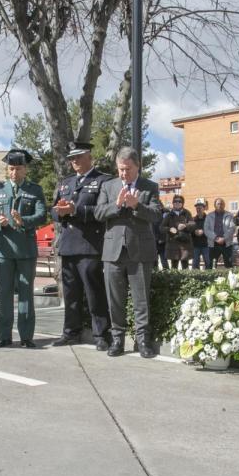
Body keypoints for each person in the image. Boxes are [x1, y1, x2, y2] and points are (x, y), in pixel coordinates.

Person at [94, 146, 163, 358]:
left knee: (141, 300)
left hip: (140, 251)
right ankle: (117, 340)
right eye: (120, 169)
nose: (124, 173)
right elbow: (98, 213)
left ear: (137, 166)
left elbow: (156, 215)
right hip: (113, 252)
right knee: (115, 300)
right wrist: (116, 205)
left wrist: (137, 206)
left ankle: (142, 341)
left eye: (128, 169)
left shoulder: (149, 187)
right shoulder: (108, 186)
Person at [49, 140, 110, 350]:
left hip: (90, 245)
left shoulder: (102, 181)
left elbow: (102, 211)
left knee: (94, 293)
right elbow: (53, 212)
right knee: (71, 295)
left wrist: (75, 210)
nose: (74, 161)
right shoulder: (66, 182)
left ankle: (101, 334)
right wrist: (60, 211)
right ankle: (70, 332)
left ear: (89, 157)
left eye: (78, 157)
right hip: (68, 245)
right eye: (71, 158)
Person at [0, 149, 46, 349]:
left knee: (26, 294)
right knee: (4, 294)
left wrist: (23, 220)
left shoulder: (35, 189)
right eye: (11, 168)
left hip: (26, 250)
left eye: (18, 169)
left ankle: (26, 337)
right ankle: (4, 336)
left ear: (25, 169)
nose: (14, 172)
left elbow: (41, 215)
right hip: (3, 250)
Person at [160, 195, 193, 269]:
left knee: (185, 267)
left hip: (185, 245)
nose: (177, 203)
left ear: (183, 203)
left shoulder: (187, 213)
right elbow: (161, 228)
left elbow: (193, 225)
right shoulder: (169, 215)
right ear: (173, 203)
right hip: (173, 245)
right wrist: (169, 229)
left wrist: (185, 225)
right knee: (174, 267)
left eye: (179, 201)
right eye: (175, 201)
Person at [204, 197, 236, 268]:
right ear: (215, 205)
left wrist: (224, 238)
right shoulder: (209, 216)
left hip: (226, 243)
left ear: (224, 205)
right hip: (213, 243)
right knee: (211, 265)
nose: (220, 205)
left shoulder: (230, 215)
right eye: (218, 204)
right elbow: (206, 229)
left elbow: (232, 228)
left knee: (229, 265)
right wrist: (216, 238)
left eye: (221, 204)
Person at [190, 198, 210, 270]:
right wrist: (194, 232)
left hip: (206, 245)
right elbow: (189, 231)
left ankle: (209, 277)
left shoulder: (209, 219)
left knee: (208, 264)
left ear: (204, 208)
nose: (198, 209)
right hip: (195, 246)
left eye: (200, 207)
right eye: (197, 208)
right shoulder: (192, 220)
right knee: (195, 265)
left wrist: (203, 232)